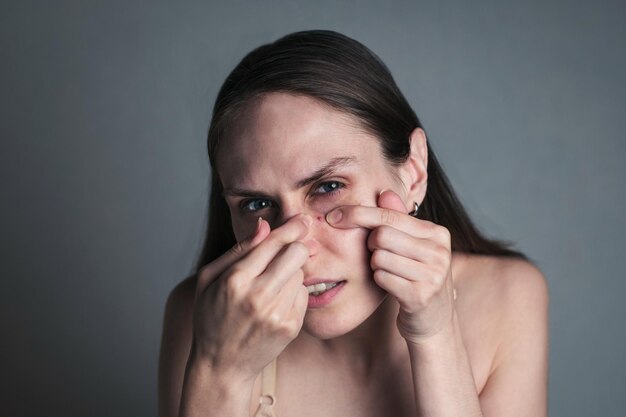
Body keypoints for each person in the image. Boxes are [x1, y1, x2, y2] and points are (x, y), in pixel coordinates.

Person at [158, 30, 549, 417]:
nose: (298, 248)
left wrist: (435, 334)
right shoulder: (203, 319)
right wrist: (220, 371)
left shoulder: (505, 297)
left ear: (412, 172)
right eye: (257, 203)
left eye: (328, 186)